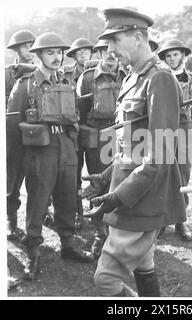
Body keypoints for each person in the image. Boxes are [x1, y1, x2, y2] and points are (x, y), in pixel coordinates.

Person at [83, 8, 186, 296]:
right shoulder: (132, 79)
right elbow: (133, 145)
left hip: (140, 199)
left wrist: (118, 197)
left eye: (115, 40)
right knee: (144, 263)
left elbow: (161, 154)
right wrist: (105, 177)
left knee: (105, 280)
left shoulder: (159, 79)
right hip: (132, 192)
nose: (109, 49)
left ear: (138, 36)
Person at [6, 32, 94, 281]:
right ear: (38, 55)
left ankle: (68, 245)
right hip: (39, 153)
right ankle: (33, 251)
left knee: (67, 197)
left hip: (66, 148)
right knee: (38, 202)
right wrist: (21, 161)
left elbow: (76, 114)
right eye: (50, 52)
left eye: (59, 52)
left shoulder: (67, 81)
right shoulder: (24, 85)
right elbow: (13, 129)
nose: (57, 57)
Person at [77, 38, 126, 258]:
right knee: (98, 183)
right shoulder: (87, 79)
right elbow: (80, 112)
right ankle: (99, 233)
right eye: (104, 50)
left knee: (121, 182)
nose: (110, 54)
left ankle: (118, 230)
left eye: (113, 51)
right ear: (99, 52)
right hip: (98, 138)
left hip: (124, 136)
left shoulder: (128, 76)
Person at [157, 39, 192, 242]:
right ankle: (162, 219)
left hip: (184, 131)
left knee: (183, 173)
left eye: (175, 54)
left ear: (182, 56)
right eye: (168, 56)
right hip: (164, 131)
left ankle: (180, 220)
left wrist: (185, 125)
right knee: (163, 172)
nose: (172, 59)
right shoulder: (160, 79)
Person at [6, 30, 37, 241]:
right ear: (16, 50)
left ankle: (40, 218)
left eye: (31, 46)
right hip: (13, 135)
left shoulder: (38, 72)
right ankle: (11, 221)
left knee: (37, 177)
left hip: (35, 133)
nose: (29, 50)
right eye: (25, 46)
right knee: (13, 178)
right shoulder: (8, 74)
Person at [64, 38, 94, 229]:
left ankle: (95, 207)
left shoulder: (98, 74)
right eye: (79, 53)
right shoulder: (66, 75)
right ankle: (77, 212)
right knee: (74, 173)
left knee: (96, 172)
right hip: (73, 131)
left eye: (86, 52)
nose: (83, 55)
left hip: (92, 130)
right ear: (74, 56)